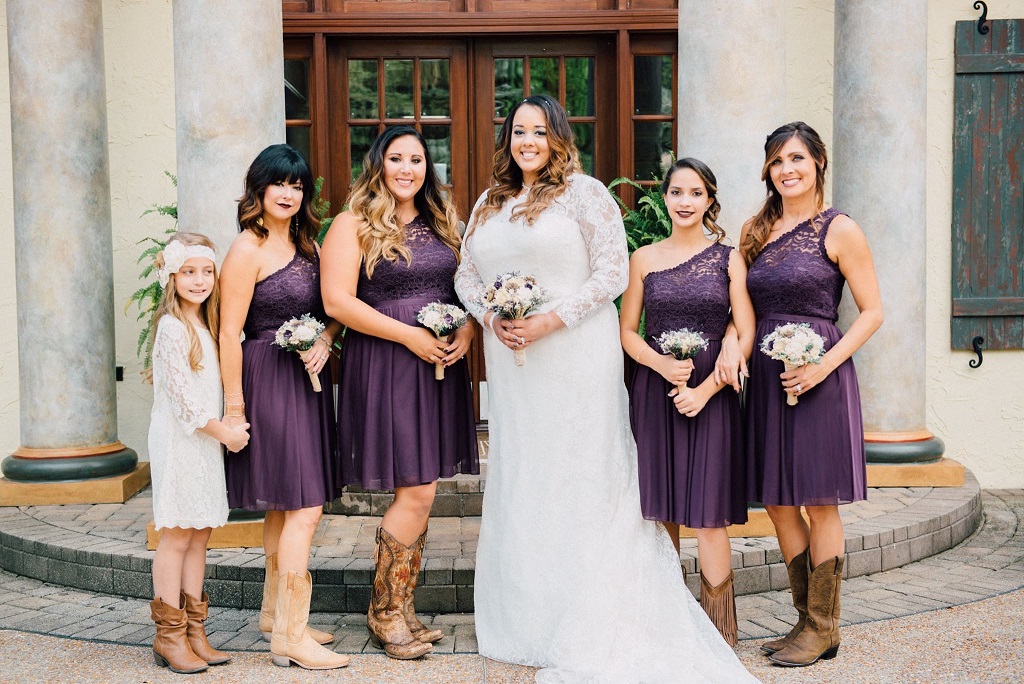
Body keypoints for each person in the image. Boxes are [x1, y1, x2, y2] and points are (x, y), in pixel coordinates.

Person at [454, 94, 758, 683]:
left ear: (558, 137)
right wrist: (491, 316)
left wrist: (548, 319)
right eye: (519, 131)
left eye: (539, 131)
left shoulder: (586, 193)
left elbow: (613, 272)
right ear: (507, 139)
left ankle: (592, 606)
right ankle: (526, 609)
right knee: (524, 474)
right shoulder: (489, 204)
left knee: (580, 470)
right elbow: (467, 273)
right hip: (513, 362)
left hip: (572, 354)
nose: (528, 141)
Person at [321, 125, 479, 659]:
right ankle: (384, 612)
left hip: (437, 366)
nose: (407, 168)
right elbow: (339, 303)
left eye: (417, 159)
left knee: (424, 487)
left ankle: (402, 606)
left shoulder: (444, 224)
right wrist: (409, 334)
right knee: (417, 489)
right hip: (387, 363)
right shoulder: (352, 223)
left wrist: (466, 330)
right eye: (396, 158)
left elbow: (466, 290)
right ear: (378, 165)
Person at [732, 121, 882, 667]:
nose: (787, 170)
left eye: (797, 158)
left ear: (819, 161)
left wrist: (822, 366)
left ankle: (824, 625)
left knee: (818, 501)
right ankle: (806, 620)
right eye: (776, 161)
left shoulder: (839, 229)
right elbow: (739, 304)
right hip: (770, 378)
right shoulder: (756, 228)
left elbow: (872, 312)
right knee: (776, 500)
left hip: (820, 374)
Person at [219, 144, 348, 670]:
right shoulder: (245, 249)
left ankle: (275, 614)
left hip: (307, 379)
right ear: (260, 188)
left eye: (298, 185)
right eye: (280, 183)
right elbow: (229, 332)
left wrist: (327, 338)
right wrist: (234, 406)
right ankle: (291, 637)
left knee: (283, 502)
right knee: (304, 505)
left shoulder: (310, 244)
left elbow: (332, 308)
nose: (290, 193)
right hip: (266, 377)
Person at [619, 158, 755, 646]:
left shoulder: (729, 258)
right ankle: (668, 627)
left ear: (709, 200)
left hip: (712, 394)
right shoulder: (644, 259)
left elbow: (744, 325)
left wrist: (707, 387)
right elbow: (627, 332)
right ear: (664, 199)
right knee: (663, 512)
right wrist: (657, 365)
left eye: (695, 193)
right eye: (676, 192)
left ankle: (720, 633)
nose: (684, 202)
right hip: (656, 393)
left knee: (708, 512)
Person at [147, 232, 250, 674]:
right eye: (188, 272)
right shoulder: (173, 328)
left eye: (207, 271)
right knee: (177, 535)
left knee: (201, 532)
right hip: (182, 440)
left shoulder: (208, 326)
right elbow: (184, 401)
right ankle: (168, 635)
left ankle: (195, 630)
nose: (199, 280)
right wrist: (226, 433)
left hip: (205, 442)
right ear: (171, 276)